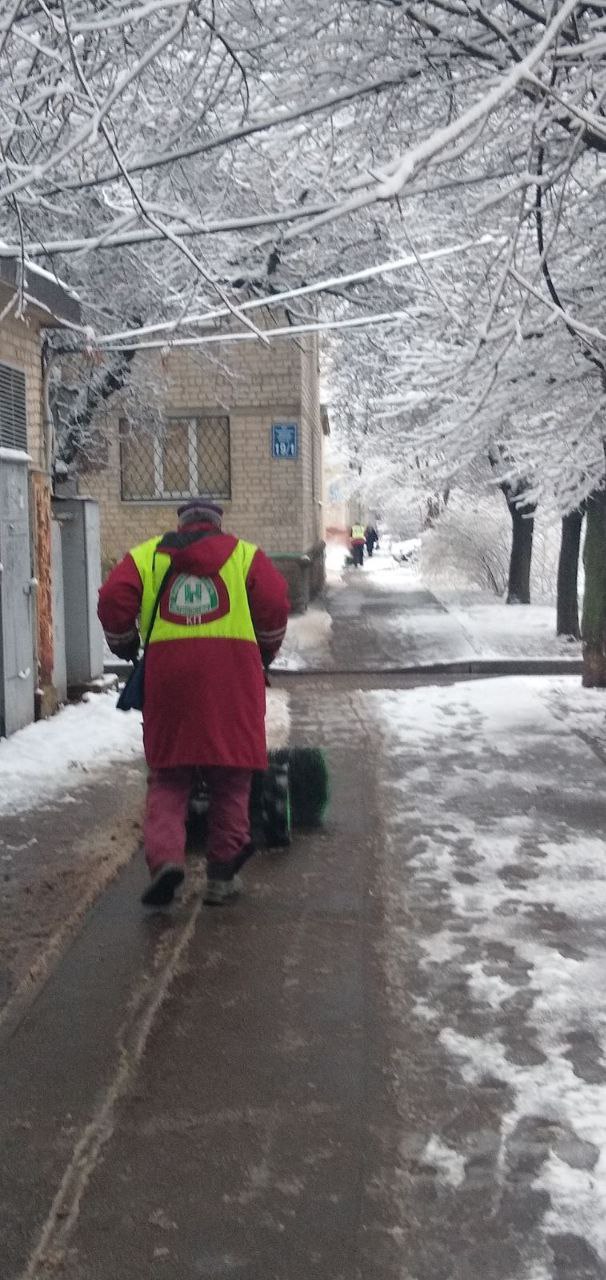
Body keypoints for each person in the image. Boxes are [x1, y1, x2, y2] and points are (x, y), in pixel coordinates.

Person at [98, 499, 290, 907]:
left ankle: (167, 860)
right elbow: (275, 601)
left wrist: (125, 642)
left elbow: (114, 596)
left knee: (169, 775)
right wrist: (266, 650)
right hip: (232, 681)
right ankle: (222, 875)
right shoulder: (244, 556)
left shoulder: (147, 556)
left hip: (170, 681)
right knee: (231, 774)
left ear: (182, 524)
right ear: (218, 524)